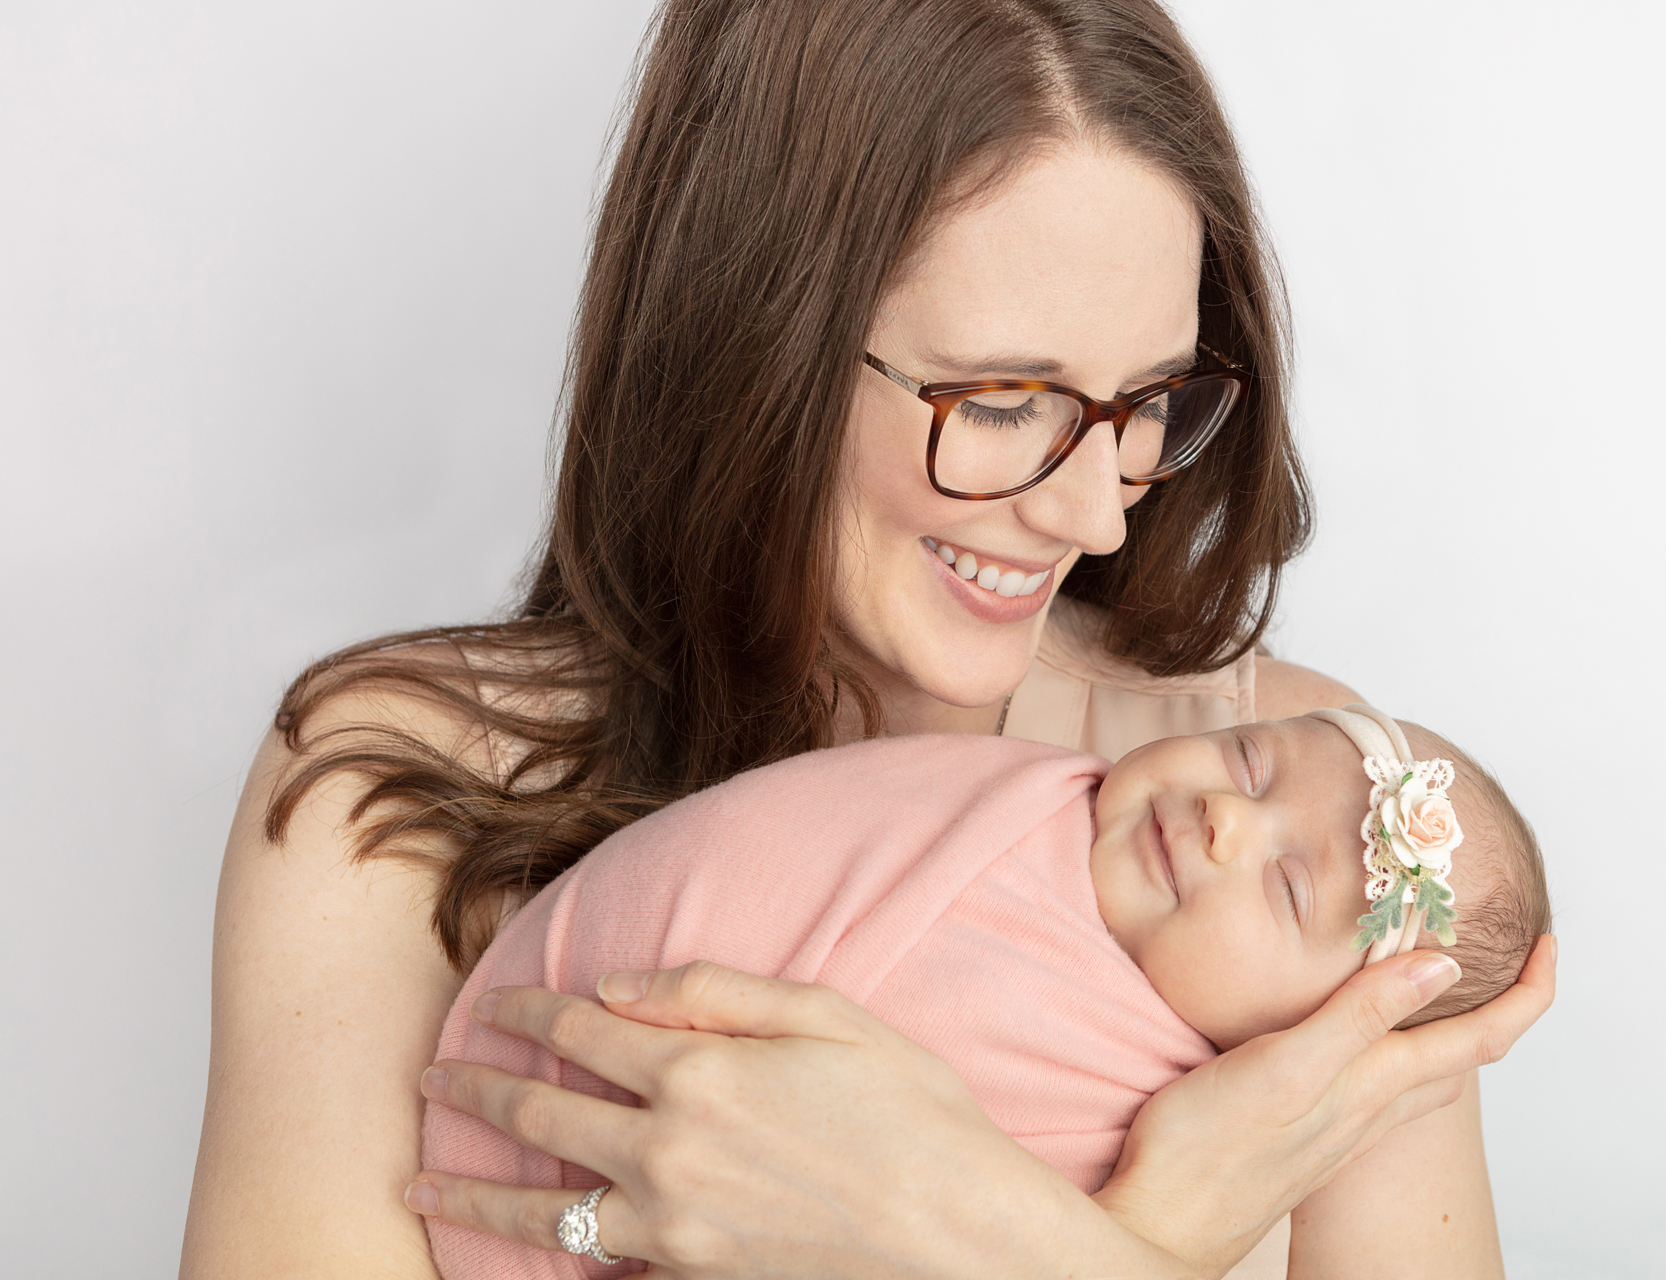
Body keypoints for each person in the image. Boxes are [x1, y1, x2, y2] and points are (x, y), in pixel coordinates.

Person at [180, 2, 1556, 1277]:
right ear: (755, 346)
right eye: (1006, 400)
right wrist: (1151, 1227)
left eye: (1150, 401)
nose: (1099, 514)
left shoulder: (1332, 833)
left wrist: (967, 1235)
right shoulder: (397, 787)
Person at [420, 707, 1551, 1278]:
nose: (1228, 815)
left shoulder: (1151, 1079)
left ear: (1323, 1039)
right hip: (525, 1127)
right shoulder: (1046, 793)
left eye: (1290, 885)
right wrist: (1148, 1242)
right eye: (1250, 762)